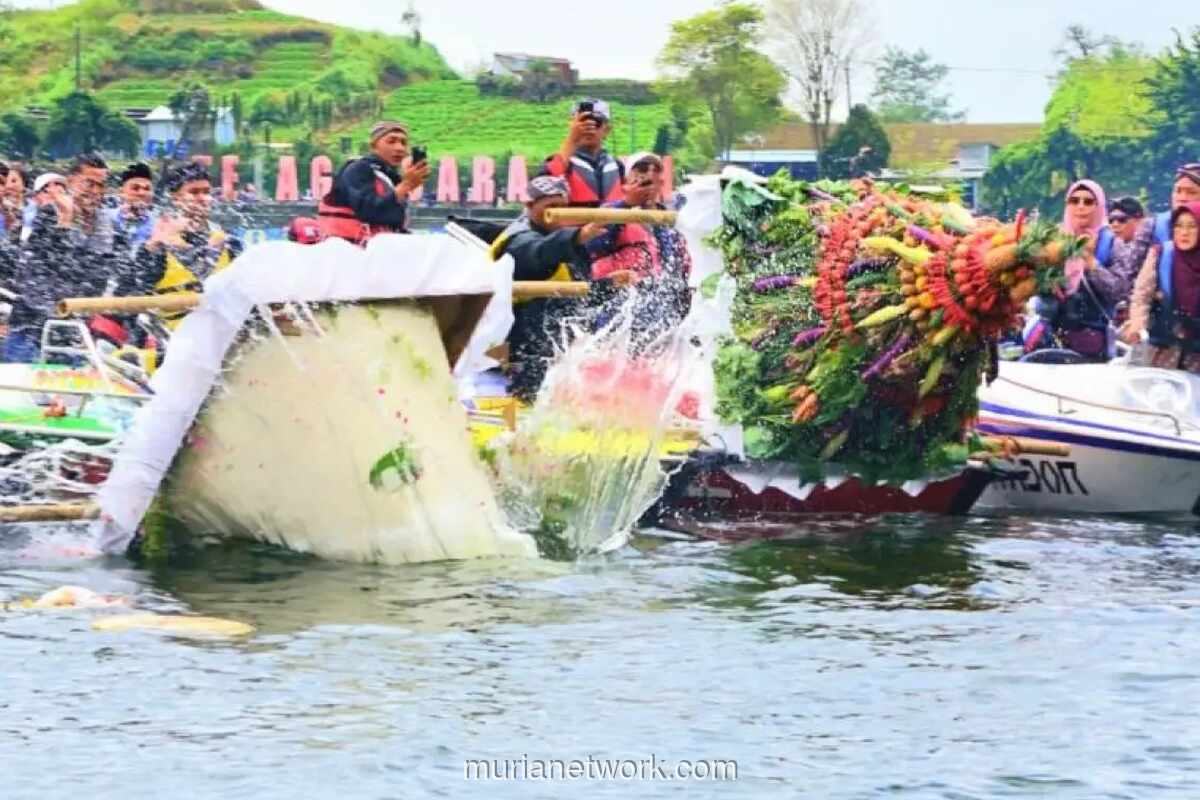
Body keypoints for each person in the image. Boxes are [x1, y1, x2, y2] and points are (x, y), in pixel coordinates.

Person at [489, 175, 614, 401]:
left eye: (562, 207)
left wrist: (609, 285)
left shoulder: (563, 242)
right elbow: (538, 253)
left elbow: (574, 296)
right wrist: (578, 236)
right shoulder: (519, 239)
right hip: (521, 354)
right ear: (529, 205)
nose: (558, 213)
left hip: (555, 351)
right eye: (551, 207)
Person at [4, 156, 118, 363]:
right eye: (89, 183)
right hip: (31, 328)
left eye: (101, 186)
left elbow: (99, 278)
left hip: (74, 331)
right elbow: (39, 268)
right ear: (71, 182)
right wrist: (64, 222)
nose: (94, 191)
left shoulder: (106, 225)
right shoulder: (49, 214)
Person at [584, 152, 692, 342]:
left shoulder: (673, 221)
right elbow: (591, 247)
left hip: (661, 321)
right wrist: (628, 204)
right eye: (642, 168)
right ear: (628, 179)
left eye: (656, 169)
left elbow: (681, 274)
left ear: (661, 180)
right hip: (617, 317)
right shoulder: (611, 212)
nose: (649, 173)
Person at [129, 161, 242, 329]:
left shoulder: (229, 243)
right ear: (175, 198)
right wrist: (152, 246)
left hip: (222, 339)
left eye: (206, 192)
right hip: (171, 341)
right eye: (194, 192)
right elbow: (135, 288)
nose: (202, 198)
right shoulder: (157, 245)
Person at [1024, 180, 1129, 360]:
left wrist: (1089, 260)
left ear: (1099, 206)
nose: (1080, 206)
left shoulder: (1111, 242)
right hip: (1049, 338)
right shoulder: (1053, 239)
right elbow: (1030, 282)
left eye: (1088, 202)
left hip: (1093, 341)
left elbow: (1119, 290)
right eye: (1074, 201)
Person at [319, 120, 429, 242]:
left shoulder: (391, 177)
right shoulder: (357, 169)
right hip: (349, 250)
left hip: (378, 250)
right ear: (374, 145)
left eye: (403, 143)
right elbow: (369, 211)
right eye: (391, 141)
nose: (399, 148)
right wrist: (405, 185)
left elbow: (395, 219)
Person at [1121, 203, 1200, 373]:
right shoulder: (1161, 254)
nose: (1184, 232)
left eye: (1192, 226)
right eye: (1179, 225)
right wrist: (1138, 323)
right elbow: (1142, 296)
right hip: (1162, 351)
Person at [542, 98, 625, 207]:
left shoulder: (617, 166)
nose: (588, 129)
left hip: (612, 222)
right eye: (582, 122)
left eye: (596, 123)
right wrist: (572, 140)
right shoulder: (561, 161)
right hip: (573, 223)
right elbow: (545, 185)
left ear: (607, 130)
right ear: (572, 127)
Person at [105, 162, 156, 255]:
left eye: (147, 189)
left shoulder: (158, 225)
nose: (142, 193)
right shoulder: (106, 218)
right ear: (121, 192)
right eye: (135, 188)